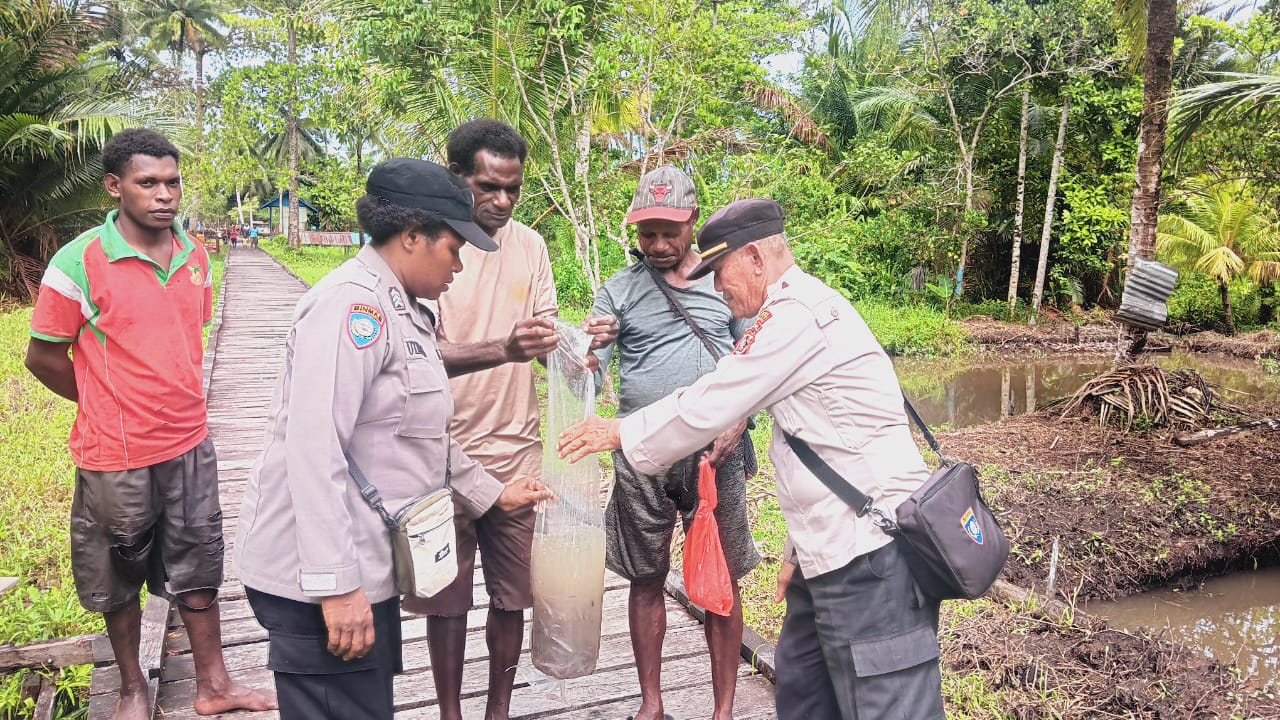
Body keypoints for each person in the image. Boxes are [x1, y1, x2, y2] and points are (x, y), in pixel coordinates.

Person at [559, 199, 947, 720]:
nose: (716, 289)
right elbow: (816, 448)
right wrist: (796, 552)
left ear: (757, 259)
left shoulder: (797, 317)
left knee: (889, 706)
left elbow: (714, 398)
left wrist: (619, 431)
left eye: (720, 273)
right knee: (806, 693)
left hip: (874, 556)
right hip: (829, 552)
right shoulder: (784, 313)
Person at [234, 158, 554, 720]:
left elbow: (422, 431)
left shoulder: (404, 310)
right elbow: (312, 450)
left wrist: (492, 492)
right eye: (454, 248)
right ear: (412, 237)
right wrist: (335, 587)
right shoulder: (350, 307)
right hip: (321, 576)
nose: (459, 264)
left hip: (364, 560)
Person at [24, 129, 276, 720]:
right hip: (116, 455)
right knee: (119, 574)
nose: (165, 195)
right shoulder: (78, 263)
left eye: (172, 182)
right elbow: (42, 356)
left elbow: (187, 339)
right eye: (148, 183)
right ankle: (134, 687)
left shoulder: (194, 255)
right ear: (115, 187)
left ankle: (215, 685)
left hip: (190, 443)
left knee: (198, 561)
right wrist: (103, 406)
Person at [403, 118, 617, 720]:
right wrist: (505, 346)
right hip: (437, 457)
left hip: (518, 454)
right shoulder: (426, 247)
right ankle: (450, 712)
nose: (500, 201)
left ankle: (498, 709)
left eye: (512, 188)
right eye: (486, 186)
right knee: (445, 603)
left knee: (511, 596)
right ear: (456, 178)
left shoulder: (529, 246)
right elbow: (412, 357)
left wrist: (584, 347)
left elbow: (550, 342)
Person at [588, 166, 760, 720]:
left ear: (692, 223)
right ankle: (651, 703)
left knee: (723, 581)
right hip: (643, 457)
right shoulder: (618, 291)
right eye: (647, 234)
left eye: (670, 231)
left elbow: (755, 364)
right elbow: (589, 376)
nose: (659, 245)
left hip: (717, 455)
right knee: (647, 577)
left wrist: (741, 419)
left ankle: (724, 709)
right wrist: (586, 354)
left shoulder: (724, 284)